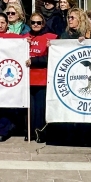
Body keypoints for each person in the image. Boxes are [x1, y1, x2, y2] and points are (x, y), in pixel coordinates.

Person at [25, 12, 58, 142]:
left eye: (38, 22)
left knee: (40, 109)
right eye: (33, 22)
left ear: (43, 24)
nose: (36, 25)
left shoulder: (51, 37)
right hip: (26, 79)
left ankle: (40, 132)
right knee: (30, 109)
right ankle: (30, 132)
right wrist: (22, 44)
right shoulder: (24, 37)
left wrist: (34, 61)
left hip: (42, 79)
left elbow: (52, 57)